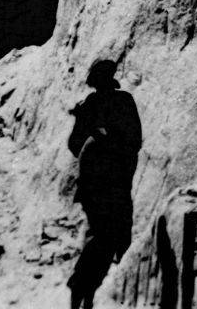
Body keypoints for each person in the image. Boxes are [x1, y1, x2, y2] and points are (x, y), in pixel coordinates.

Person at [67, 59, 141, 309]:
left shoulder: (96, 105)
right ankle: (84, 292)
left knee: (103, 239)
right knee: (110, 240)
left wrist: (97, 136)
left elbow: (74, 145)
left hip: (102, 185)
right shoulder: (121, 101)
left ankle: (84, 293)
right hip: (110, 185)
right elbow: (134, 141)